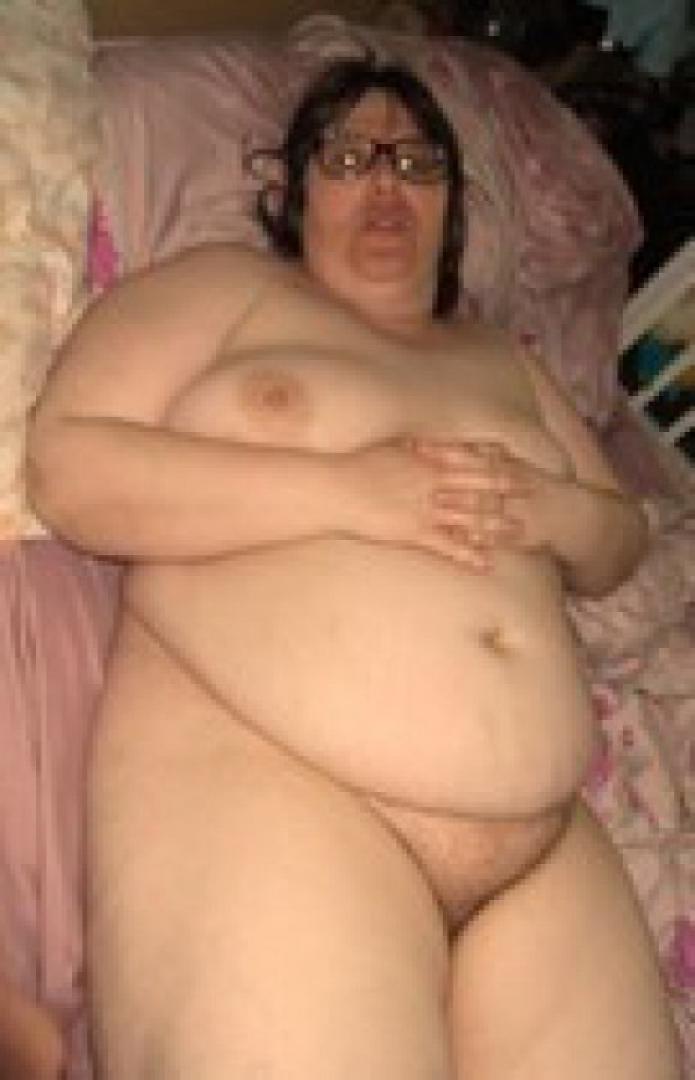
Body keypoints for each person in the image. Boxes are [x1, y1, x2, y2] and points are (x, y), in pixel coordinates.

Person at [27, 56, 682, 1079]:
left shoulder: (501, 357)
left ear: (450, 207)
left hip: (545, 852)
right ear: (296, 192)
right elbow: (69, 468)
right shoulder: (223, 288)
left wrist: (555, 510)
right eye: (347, 156)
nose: (385, 181)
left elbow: (618, 541)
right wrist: (354, 491)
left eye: (417, 162)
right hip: (276, 781)